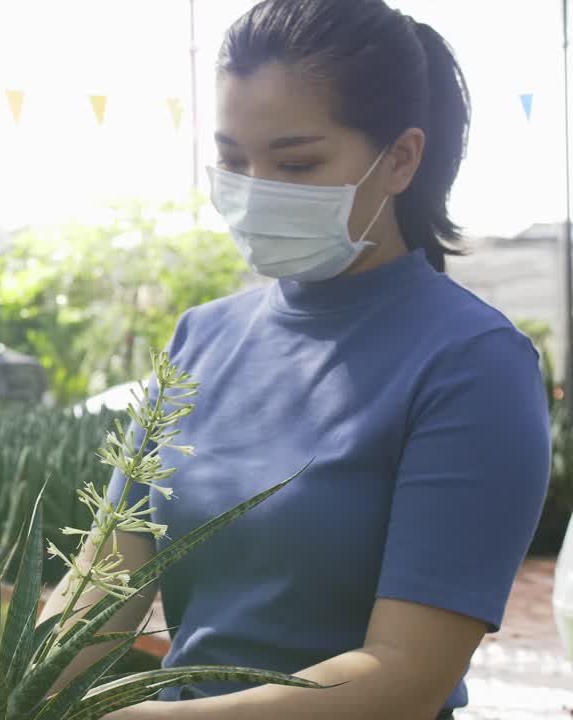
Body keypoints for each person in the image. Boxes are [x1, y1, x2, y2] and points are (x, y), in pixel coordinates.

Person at [36, 1, 551, 718]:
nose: (255, 188)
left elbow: (405, 675)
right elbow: (103, 586)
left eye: (296, 162)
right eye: (232, 159)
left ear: (400, 158)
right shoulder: (200, 340)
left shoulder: (473, 365)